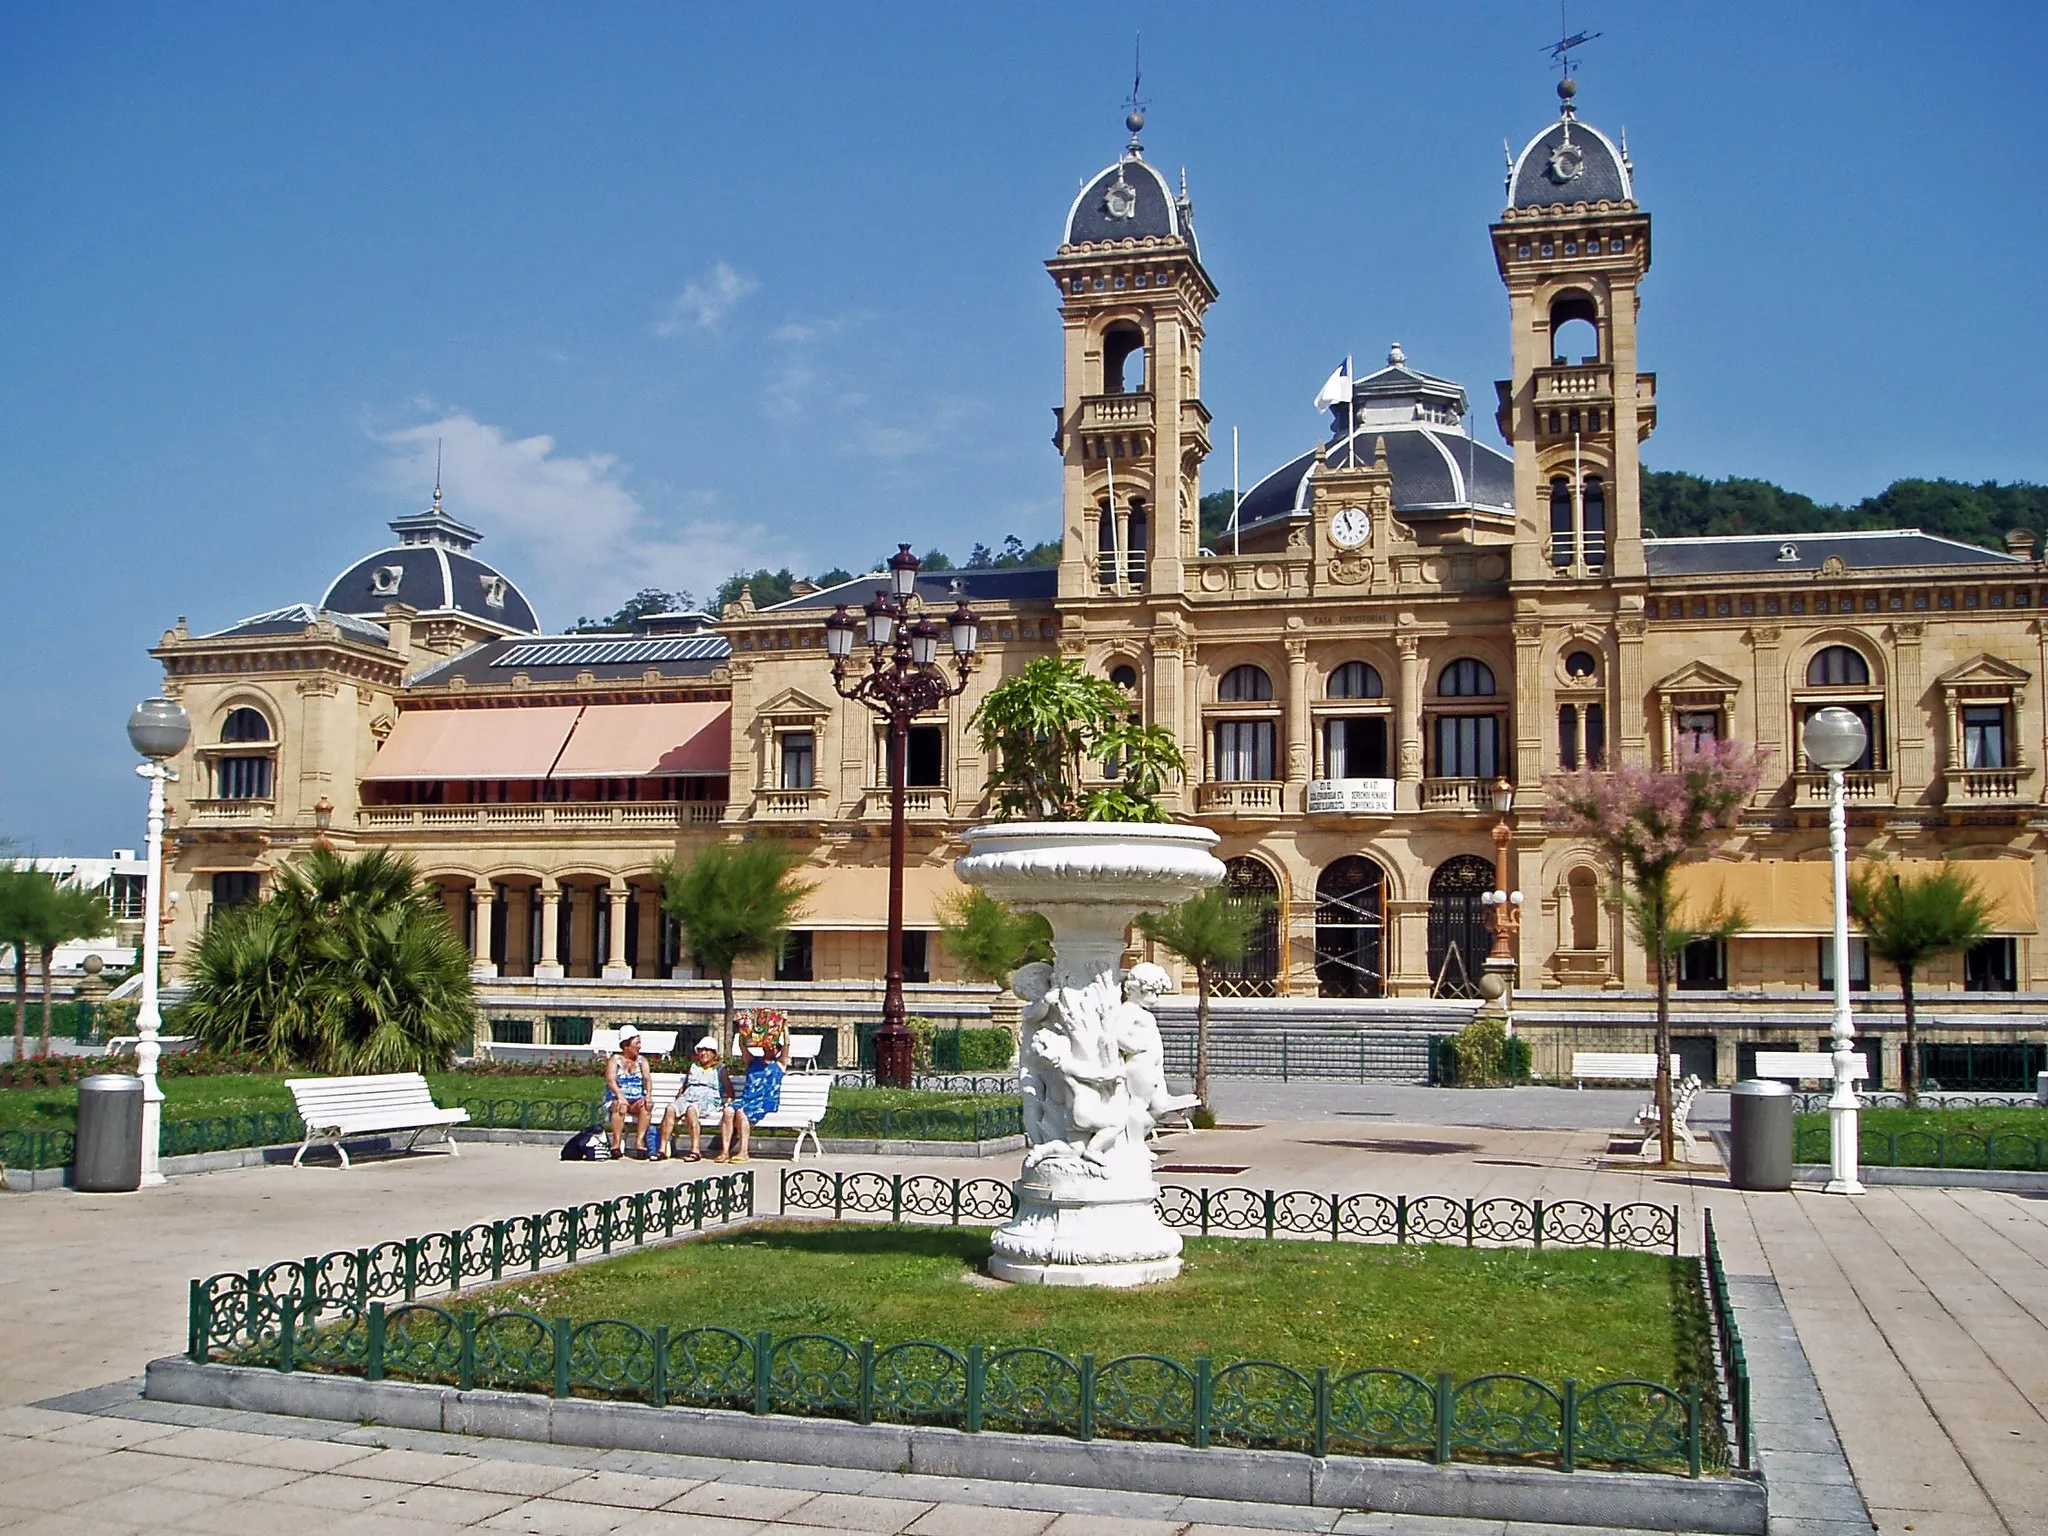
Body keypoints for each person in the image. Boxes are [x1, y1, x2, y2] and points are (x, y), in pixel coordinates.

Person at [660, 1035, 732, 1162]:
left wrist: (728, 1102)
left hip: (708, 1098)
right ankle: (662, 1149)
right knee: (670, 1109)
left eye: (707, 1050)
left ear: (714, 1053)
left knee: (691, 1110)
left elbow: (729, 1090)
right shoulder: (694, 1067)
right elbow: (685, 1085)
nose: (703, 1053)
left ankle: (695, 1150)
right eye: (701, 1050)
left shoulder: (720, 1069)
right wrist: (679, 1097)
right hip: (689, 1095)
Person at [715, 1036, 784, 1164]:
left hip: (764, 1101)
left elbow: (788, 1045)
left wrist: (784, 1027)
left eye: (775, 1046)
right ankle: (724, 1151)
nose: (771, 1047)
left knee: (742, 1113)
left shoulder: (780, 1063)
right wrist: (743, 1029)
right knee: (728, 1111)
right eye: (769, 1044)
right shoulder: (753, 1061)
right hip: (747, 1098)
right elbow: (742, 1046)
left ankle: (743, 1151)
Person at [601, 1024, 653, 1160]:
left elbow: (647, 1080)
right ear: (626, 1045)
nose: (639, 1046)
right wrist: (620, 1096)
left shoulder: (642, 1061)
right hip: (618, 1098)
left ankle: (640, 1142)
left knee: (646, 1106)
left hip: (636, 1099)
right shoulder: (614, 1060)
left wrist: (648, 1096)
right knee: (619, 1105)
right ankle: (616, 1144)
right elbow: (611, 1080)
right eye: (636, 1043)